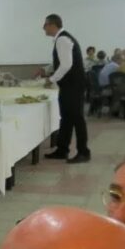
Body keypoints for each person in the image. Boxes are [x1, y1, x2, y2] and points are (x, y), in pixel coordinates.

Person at [42, 14, 90, 163]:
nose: (43, 28)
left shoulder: (62, 39)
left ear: (52, 25)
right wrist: (46, 69)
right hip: (70, 85)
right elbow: (62, 61)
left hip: (73, 85)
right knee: (66, 118)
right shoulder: (62, 38)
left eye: (45, 25)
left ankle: (83, 152)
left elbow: (66, 65)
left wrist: (51, 79)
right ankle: (62, 149)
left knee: (76, 118)